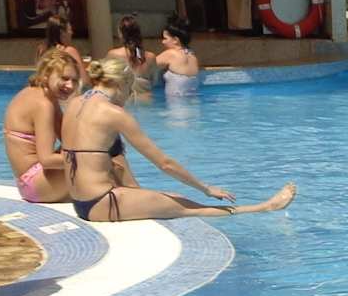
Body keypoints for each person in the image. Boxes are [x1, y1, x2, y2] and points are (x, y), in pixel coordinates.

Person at [60, 53, 295, 222]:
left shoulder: (74, 103)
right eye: (130, 91)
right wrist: (206, 188)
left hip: (80, 202)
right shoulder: (114, 113)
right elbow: (165, 163)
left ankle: (263, 206)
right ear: (122, 84)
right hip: (102, 202)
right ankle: (265, 207)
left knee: (173, 198)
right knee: (189, 207)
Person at [2, 47, 80, 204]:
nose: (70, 86)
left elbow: (68, 137)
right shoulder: (44, 104)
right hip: (36, 185)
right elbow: (47, 160)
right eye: (64, 78)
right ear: (45, 75)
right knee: (98, 160)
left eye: (75, 80)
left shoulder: (41, 95)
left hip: (30, 183)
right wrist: (90, 158)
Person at [155, 15, 199, 94]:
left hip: (176, 101)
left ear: (175, 40)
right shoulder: (192, 55)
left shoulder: (171, 54)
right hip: (194, 100)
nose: (162, 42)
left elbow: (146, 65)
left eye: (165, 38)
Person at [117, 12, 152, 86]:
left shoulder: (114, 54)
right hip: (145, 92)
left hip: (126, 92)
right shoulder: (151, 57)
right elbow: (155, 81)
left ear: (121, 34)